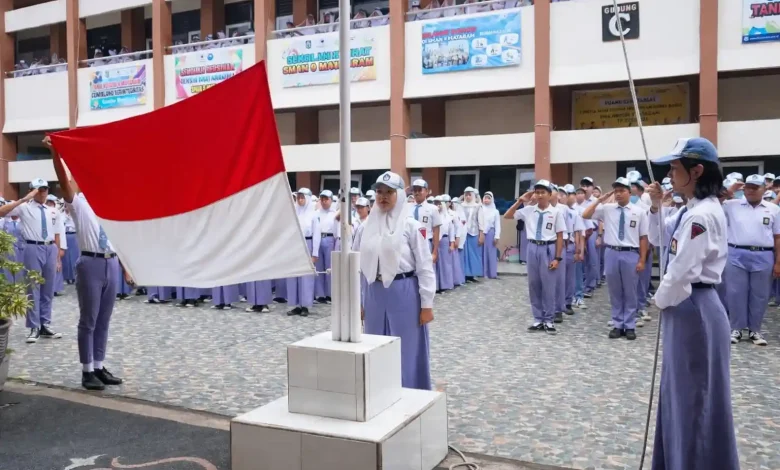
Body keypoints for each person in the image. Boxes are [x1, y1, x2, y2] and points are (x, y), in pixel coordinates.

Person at [646, 137, 739, 470]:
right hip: (685, 306)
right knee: (680, 394)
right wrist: (656, 207)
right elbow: (660, 240)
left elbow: (681, 271)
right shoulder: (690, 210)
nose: (669, 175)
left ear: (697, 170)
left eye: (674, 168)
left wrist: (658, 302)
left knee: (695, 399)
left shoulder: (703, 216)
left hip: (694, 306)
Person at [47, 136, 128, 391]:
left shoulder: (111, 207)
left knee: (104, 319)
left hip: (110, 263)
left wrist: (126, 268)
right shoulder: (80, 206)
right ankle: (86, 370)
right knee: (89, 319)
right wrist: (56, 154)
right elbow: (64, 182)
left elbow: (119, 241)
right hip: (90, 263)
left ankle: (99, 365)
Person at [353, 172, 435, 390]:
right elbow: (356, 267)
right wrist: (358, 302)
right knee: (374, 345)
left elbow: (425, 267)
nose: (383, 197)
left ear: (399, 194)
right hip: (374, 293)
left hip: (404, 291)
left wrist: (427, 305)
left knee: (406, 347)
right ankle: (378, 394)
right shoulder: (365, 227)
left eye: (389, 192)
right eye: (379, 191)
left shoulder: (411, 226)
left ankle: (409, 393)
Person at [583, 177, 649, 340]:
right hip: (612, 252)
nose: (619, 194)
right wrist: (599, 200)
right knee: (615, 290)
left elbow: (643, 237)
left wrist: (642, 260)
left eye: (622, 190)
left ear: (629, 192)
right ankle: (618, 323)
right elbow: (585, 214)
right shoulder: (607, 209)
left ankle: (630, 324)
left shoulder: (639, 211)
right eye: (616, 191)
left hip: (630, 253)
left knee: (630, 290)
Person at [0, 178, 63, 343]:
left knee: (48, 289)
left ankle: (45, 324)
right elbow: (1, 211)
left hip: (50, 248)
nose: (42, 193)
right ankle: (33, 326)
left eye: (45, 189)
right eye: (39, 190)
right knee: (33, 287)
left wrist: (57, 258)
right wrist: (24, 199)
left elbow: (56, 234)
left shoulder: (52, 211)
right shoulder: (24, 208)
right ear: (31, 191)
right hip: (32, 247)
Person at [722, 174, 780, 346]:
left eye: (755, 187)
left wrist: (778, 262)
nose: (751, 191)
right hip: (736, 252)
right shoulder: (731, 205)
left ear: (764, 189)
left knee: (760, 294)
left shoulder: (773, 209)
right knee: (735, 293)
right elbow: (713, 202)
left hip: (763, 254)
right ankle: (736, 329)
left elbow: (778, 238)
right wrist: (730, 190)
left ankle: (755, 330)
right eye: (748, 187)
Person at [505, 180, 566, 334]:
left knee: (549, 285)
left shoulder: (556, 212)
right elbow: (507, 215)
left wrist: (557, 258)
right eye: (537, 192)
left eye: (543, 192)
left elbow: (560, 236)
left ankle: (549, 319)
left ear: (549, 194)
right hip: (532, 247)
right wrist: (520, 201)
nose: (539, 195)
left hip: (548, 248)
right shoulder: (529, 210)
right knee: (534, 284)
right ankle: (538, 318)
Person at [287, 188, 320, 317]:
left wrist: (315, 253)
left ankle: (305, 305)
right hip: (295, 245)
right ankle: (296, 304)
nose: (300, 200)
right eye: (298, 197)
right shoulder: (295, 212)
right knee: (294, 275)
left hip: (308, 243)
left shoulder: (313, 214)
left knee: (306, 277)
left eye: (302, 198)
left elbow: (316, 234)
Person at [562, 185, 586, 316]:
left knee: (570, 277)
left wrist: (579, 250)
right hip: (555, 245)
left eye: (569, 194)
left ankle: (568, 302)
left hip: (569, 245)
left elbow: (579, 232)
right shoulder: (554, 211)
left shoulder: (574, 212)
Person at [409, 179, 442, 265]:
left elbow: (436, 231)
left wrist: (435, 252)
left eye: (419, 190)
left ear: (426, 191)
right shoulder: (408, 208)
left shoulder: (432, 209)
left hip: (426, 243)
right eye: (414, 190)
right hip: (410, 243)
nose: (416, 193)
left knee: (427, 269)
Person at [315, 190, 337, 304]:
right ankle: (320, 294)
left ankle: (330, 293)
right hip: (318, 238)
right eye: (322, 199)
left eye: (326, 199)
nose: (324, 201)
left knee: (329, 267)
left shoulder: (334, 213)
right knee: (319, 267)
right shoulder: (317, 213)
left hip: (329, 239)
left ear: (331, 200)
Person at [461, 187, 485, 281]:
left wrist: (481, 234)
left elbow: (481, 221)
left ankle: (473, 274)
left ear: (473, 195)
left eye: (469, 194)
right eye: (466, 194)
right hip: (463, 234)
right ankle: (465, 274)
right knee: (464, 255)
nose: (467, 197)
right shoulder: (461, 206)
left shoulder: (478, 206)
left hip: (474, 233)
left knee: (474, 254)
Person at [433, 196, 454, 293]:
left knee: (445, 264)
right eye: (435, 203)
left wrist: (452, 243)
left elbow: (451, 231)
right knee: (435, 264)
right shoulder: (432, 216)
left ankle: (446, 284)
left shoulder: (448, 217)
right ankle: (436, 286)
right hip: (434, 241)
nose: (438, 206)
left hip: (445, 241)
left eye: (439, 203)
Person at [481, 192, 501, 279]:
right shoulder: (480, 209)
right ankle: (483, 273)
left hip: (491, 233)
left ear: (492, 199)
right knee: (482, 253)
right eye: (485, 198)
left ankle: (492, 273)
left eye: (488, 198)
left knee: (491, 253)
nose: (486, 200)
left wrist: (497, 236)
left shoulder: (495, 211)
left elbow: (497, 224)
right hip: (481, 233)